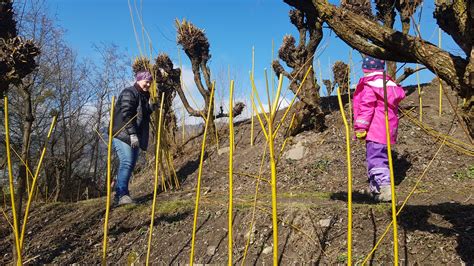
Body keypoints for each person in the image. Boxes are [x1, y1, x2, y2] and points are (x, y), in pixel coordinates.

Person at [352, 56, 406, 202]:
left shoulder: (370, 87)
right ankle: (376, 190)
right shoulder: (390, 86)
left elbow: (366, 108)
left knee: (375, 158)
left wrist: (360, 126)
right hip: (388, 128)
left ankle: (385, 191)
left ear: (366, 70)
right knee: (381, 157)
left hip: (375, 128)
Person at [111, 70, 158, 206]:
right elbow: (126, 115)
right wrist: (132, 134)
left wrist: (150, 108)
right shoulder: (129, 92)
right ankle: (122, 195)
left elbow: (140, 114)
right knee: (127, 162)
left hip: (133, 134)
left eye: (150, 81)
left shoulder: (143, 95)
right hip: (123, 133)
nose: (148, 84)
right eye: (146, 81)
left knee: (130, 164)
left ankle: (120, 193)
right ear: (138, 80)